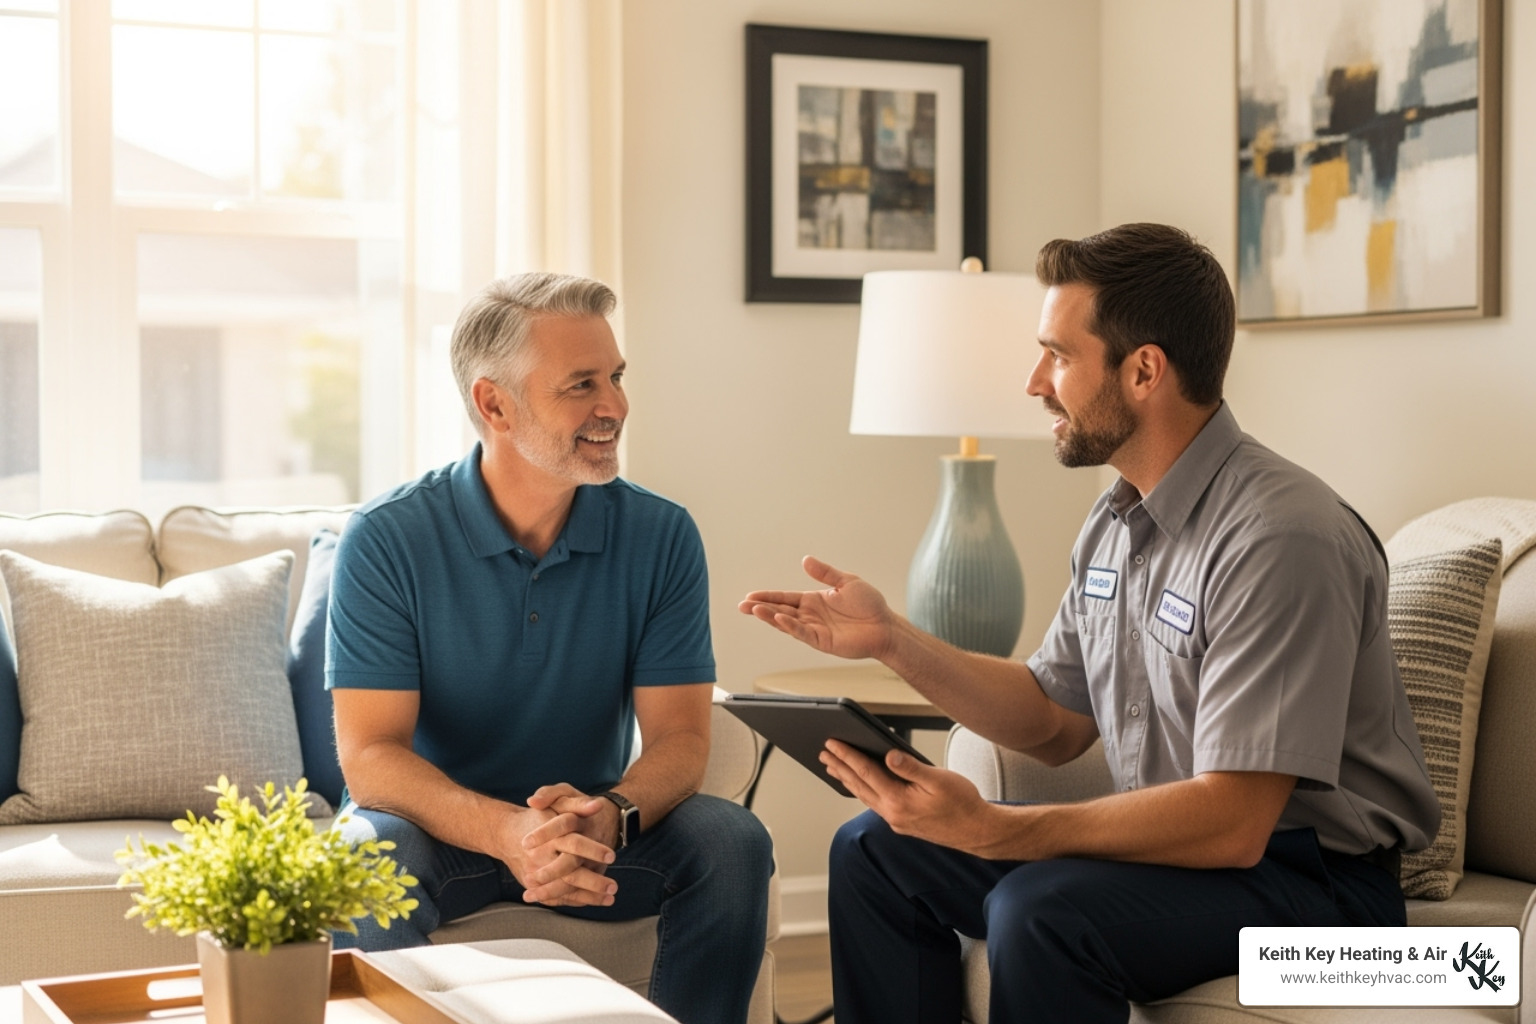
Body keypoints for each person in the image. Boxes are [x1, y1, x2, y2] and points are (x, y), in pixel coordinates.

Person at [739, 223, 1439, 1023]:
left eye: (1059, 355)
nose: (1037, 381)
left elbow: (1236, 822)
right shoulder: (1117, 523)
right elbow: (1051, 719)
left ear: (1144, 370)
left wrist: (996, 828)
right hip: (1188, 863)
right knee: (875, 850)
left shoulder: (1280, 538)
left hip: (1322, 894)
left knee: (1041, 912)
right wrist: (894, 641)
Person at [327, 271, 773, 1024]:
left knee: (731, 841)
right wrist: (509, 832)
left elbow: (681, 737)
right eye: (581, 386)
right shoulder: (387, 539)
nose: (615, 407)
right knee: (363, 853)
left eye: (617, 378)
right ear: (494, 403)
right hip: (439, 834)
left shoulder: (661, 535)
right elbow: (369, 757)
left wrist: (614, 814)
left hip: (593, 830)